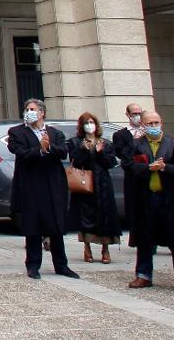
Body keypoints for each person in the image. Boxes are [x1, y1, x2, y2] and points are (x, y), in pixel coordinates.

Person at [7, 98, 78, 279]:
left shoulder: (55, 133)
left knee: (55, 225)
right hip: (30, 183)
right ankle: (33, 265)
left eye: (33, 109)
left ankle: (61, 265)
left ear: (42, 113)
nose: (29, 112)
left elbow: (63, 151)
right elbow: (19, 151)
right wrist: (39, 149)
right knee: (33, 226)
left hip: (52, 184)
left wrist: (49, 147)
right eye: (27, 109)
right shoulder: (17, 132)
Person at [127, 110, 173, 288]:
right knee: (145, 237)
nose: (154, 126)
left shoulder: (171, 143)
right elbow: (129, 166)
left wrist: (164, 168)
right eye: (150, 124)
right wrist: (148, 168)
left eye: (156, 122)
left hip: (168, 198)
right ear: (143, 126)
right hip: (146, 198)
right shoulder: (137, 144)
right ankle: (144, 274)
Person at [68, 111, 121, 265]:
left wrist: (100, 152)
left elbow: (110, 163)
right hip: (85, 182)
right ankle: (87, 247)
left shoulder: (105, 142)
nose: (89, 125)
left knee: (105, 214)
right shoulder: (76, 142)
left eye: (91, 122)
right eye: (86, 123)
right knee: (86, 215)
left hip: (103, 182)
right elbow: (75, 161)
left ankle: (105, 249)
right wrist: (84, 150)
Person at [115, 102, 146, 247]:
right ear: (128, 115)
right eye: (134, 114)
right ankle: (140, 240)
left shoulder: (149, 130)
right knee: (135, 209)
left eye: (140, 113)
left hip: (150, 174)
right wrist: (135, 142)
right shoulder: (120, 134)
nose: (138, 117)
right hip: (133, 176)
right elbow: (122, 155)